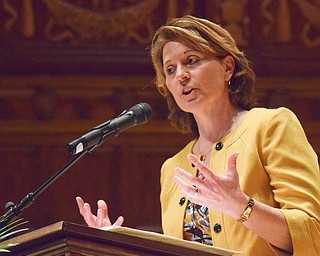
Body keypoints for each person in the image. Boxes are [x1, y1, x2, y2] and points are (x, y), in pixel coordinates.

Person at [76, 15, 320, 255]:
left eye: (191, 61)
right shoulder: (173, 168)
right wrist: (114, 246)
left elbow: (313, 234)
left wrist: (240, 207)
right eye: (170, 69)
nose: (180, 75)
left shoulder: (270, 126)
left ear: (227, 67)